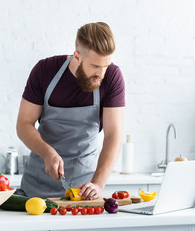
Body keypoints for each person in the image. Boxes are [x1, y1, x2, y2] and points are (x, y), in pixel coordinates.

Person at [17, 22, 125, 200]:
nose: (102, 73)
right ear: (76, 56)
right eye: (95, 66)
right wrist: (47, 152)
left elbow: (113, 135)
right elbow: (23, 124)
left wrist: (98, 184)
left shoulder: (112, 77)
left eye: (106, 65)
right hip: (36, 187)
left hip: (83, 191)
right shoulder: (44, 71)